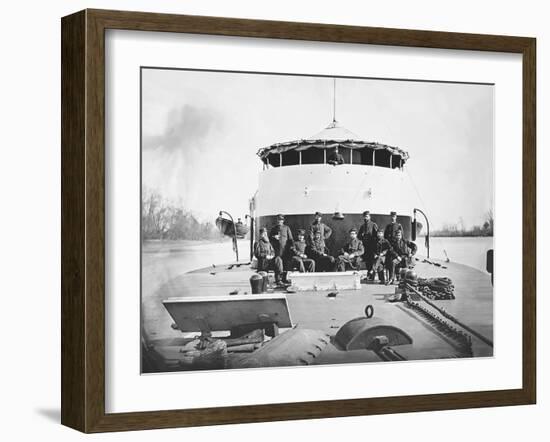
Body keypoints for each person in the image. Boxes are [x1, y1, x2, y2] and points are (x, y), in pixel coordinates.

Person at [358, 210, 378, 277]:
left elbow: (377, 236)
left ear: (369, 217)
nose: (365, 218)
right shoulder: (362, 226)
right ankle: (368, 274)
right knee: (367, 261)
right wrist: (362, 236)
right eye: (364, 217)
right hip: (365, 246)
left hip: (372, 246)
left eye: (367, 216)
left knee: (372, 260)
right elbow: (359, 236)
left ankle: (372, 275)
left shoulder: (373, 225)